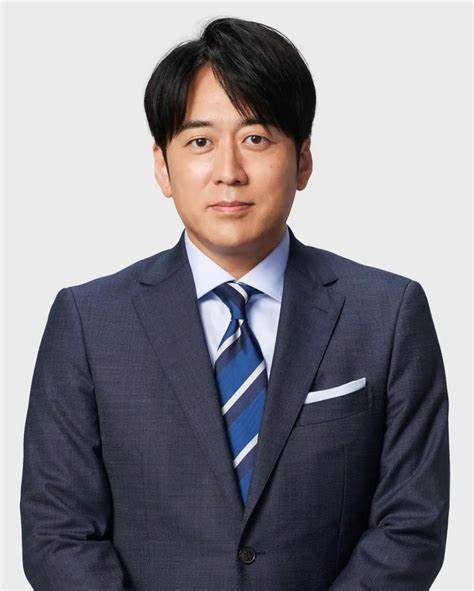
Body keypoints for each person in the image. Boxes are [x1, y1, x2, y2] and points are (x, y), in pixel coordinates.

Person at [20, 16, 450, 591]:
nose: (228, 172)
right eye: (200, 142)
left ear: (303, 160)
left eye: (256, 139)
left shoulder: (388, 314)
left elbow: (411, 525)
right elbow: (57, 533)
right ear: (162, 166)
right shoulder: (89, 323)